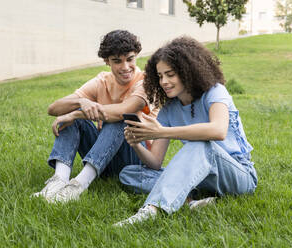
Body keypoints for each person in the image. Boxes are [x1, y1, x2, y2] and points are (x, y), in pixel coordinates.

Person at [114, 36, 258, 226]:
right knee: (130, 173)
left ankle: (152, 209)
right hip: (202, 177)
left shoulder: (215, 91)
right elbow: (155, 163)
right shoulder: (168, 110)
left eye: (170, 74)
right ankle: (191, 201)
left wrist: (161, 132)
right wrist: (136, 144)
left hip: (238, 175)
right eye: (160, 76)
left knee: (201, 143)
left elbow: (217, 130)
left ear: (187, 71)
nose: (164, 81)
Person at [32, 30, 156, 203]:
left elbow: (123, 111)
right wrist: (80, 102)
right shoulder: (102, 81)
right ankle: (59, 181)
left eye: (130, 59)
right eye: (117, 61)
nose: (126, 67)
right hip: (105, 157)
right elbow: (53, 108)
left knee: (121, 119)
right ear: (107, 61)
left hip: (136, 159)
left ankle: (79, 185)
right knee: (72, 119)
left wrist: (74, 113)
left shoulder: (146, 81)